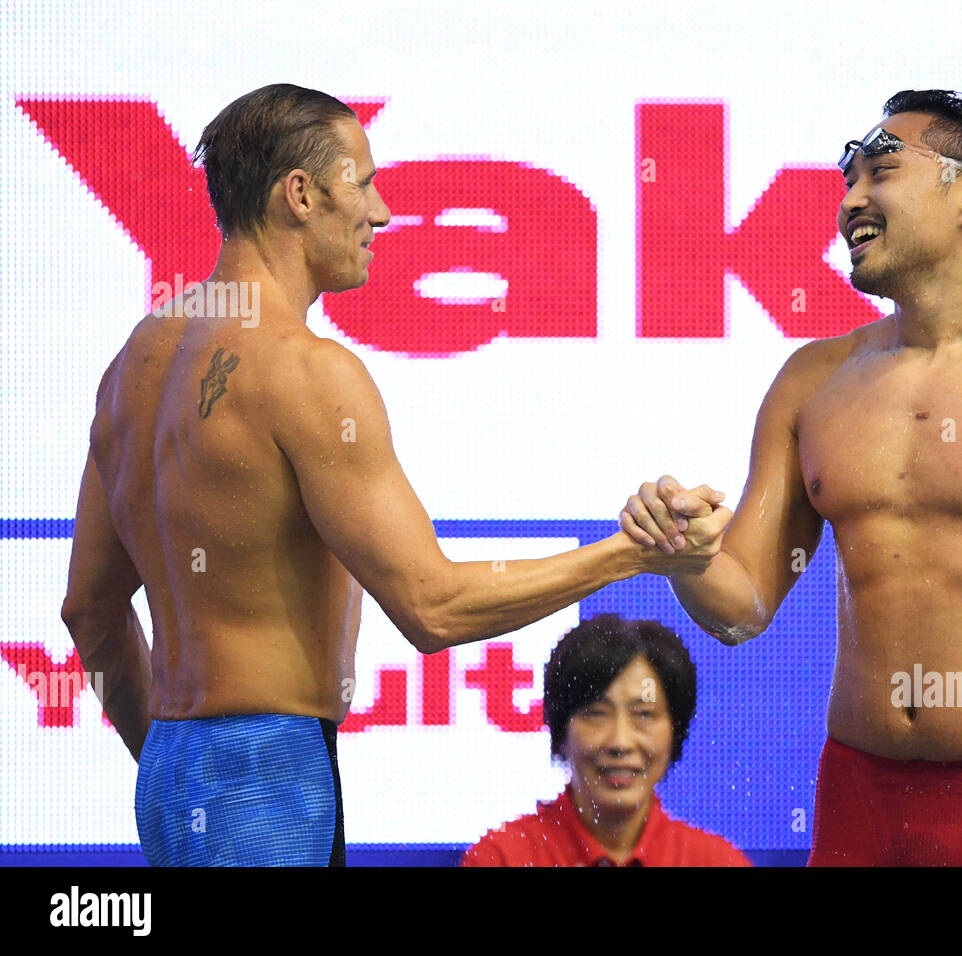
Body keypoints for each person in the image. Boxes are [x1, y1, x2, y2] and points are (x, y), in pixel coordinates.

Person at [58, 84, 731, 867]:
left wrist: (178, 765)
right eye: (364, 184)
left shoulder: (132, 368)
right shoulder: (306, 372)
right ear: (300, 194)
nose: (379, 213)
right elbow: (432, 608)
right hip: (269, 776)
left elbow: (89, 612)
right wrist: (636, 554)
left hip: (174, 780)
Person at [621, 90, 962, 866]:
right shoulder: (811, 381)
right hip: (857, 790)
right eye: (846, 182)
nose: (850, 201)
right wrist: (686, 559)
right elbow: (743, 607)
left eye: (880, 173)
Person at [461, 614, 751, 866]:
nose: (620, 742)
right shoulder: (502, 859)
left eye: (644, 714)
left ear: (675, 731)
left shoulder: (716, 861)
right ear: (561, 730)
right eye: (596, 713)